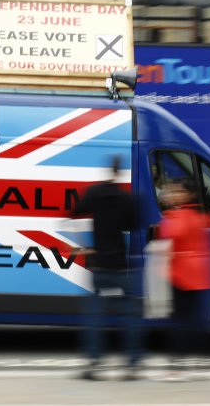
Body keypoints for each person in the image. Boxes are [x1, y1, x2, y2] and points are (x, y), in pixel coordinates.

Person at [71, 155, 143, 381]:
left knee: (94, 317)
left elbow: (74, 213)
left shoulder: (94, 193)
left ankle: (94, 365)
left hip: (100, 265)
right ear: (119, 173)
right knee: (131, 317)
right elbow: (132, 225)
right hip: (121, 266)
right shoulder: (126, 198)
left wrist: (85, 245)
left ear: (106, 170)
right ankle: (131, 365)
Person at [157, 178, 210, 381]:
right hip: (198, 273)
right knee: (195, 319)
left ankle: (177, 365)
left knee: (179, 320)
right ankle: (205, 361)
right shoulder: (201, 215)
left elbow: (169, 232)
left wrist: (168, 211)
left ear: (188, 194)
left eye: (177, 191)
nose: (173, 194)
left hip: (183, 274)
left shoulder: (180, 215)